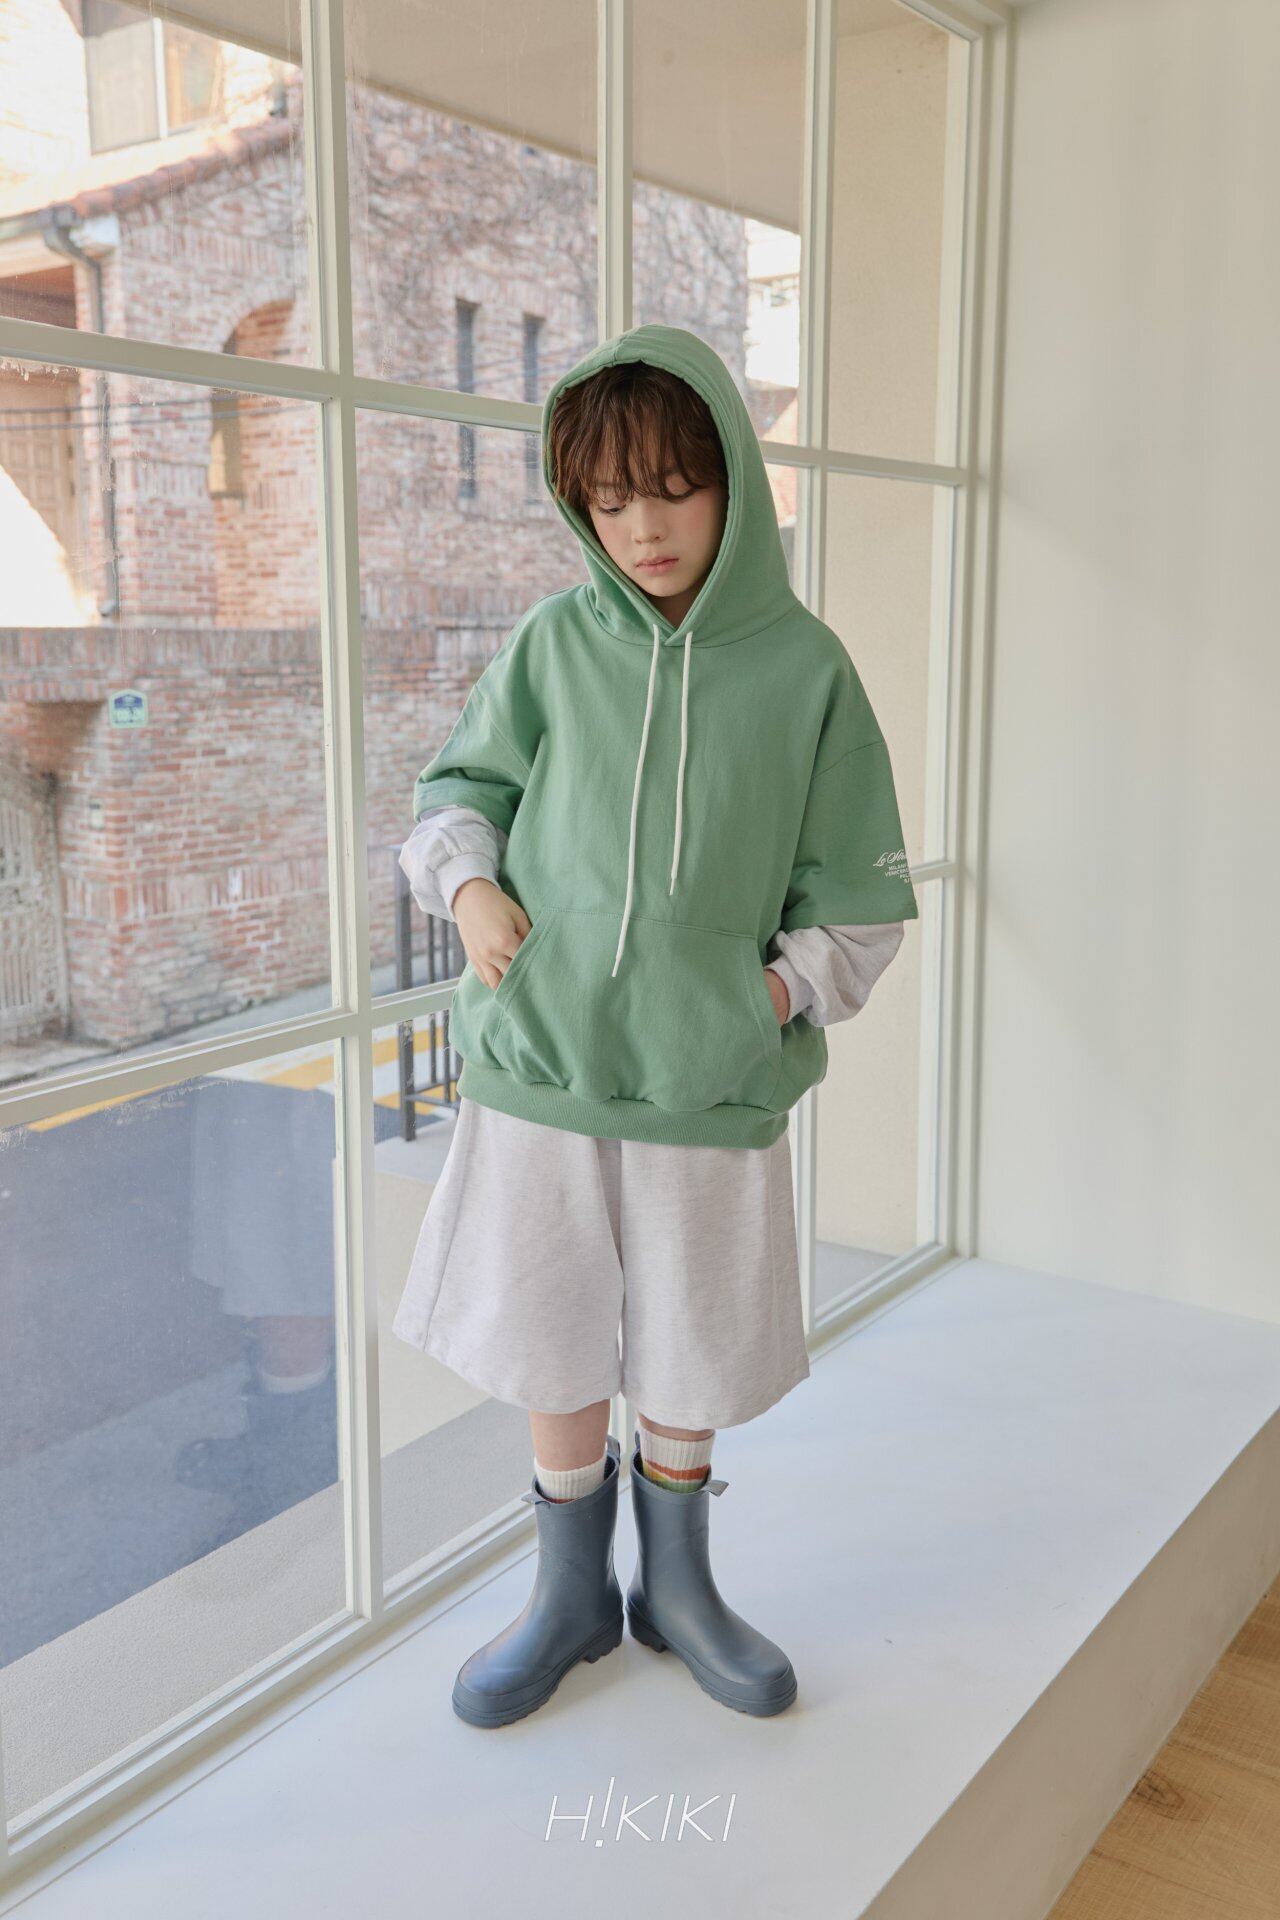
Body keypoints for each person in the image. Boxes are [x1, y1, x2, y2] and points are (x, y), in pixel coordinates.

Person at [394, 323, 918, 1727]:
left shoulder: (806, 672)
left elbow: (860, 899)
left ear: (733, 476)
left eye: (674, 489)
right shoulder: (552, 645)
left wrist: (760, 1001)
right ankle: (569, 1599)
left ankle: (678, 1590)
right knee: (550, 1334)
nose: (643, 529)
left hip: (706, 1087)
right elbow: (456, 793)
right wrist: (472, 889)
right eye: (610, 500)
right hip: (543, 1074)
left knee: (689, 1345)